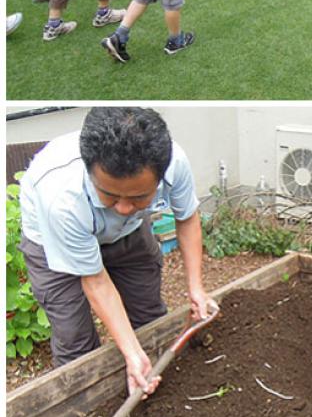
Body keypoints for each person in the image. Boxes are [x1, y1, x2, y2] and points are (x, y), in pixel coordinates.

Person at [19, 107, 219, 395]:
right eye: (110, 195)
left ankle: (159, 382)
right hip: (53, 241)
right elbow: (96, 281)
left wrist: (196, 288)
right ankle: (84, 412)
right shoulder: (62, 198)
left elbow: (186, 217)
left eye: (139, 196)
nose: (124, 208)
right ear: (90, 174)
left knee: (149, 316)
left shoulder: (174, 161)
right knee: (74, 340)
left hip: (128, 233)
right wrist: (131, 353)